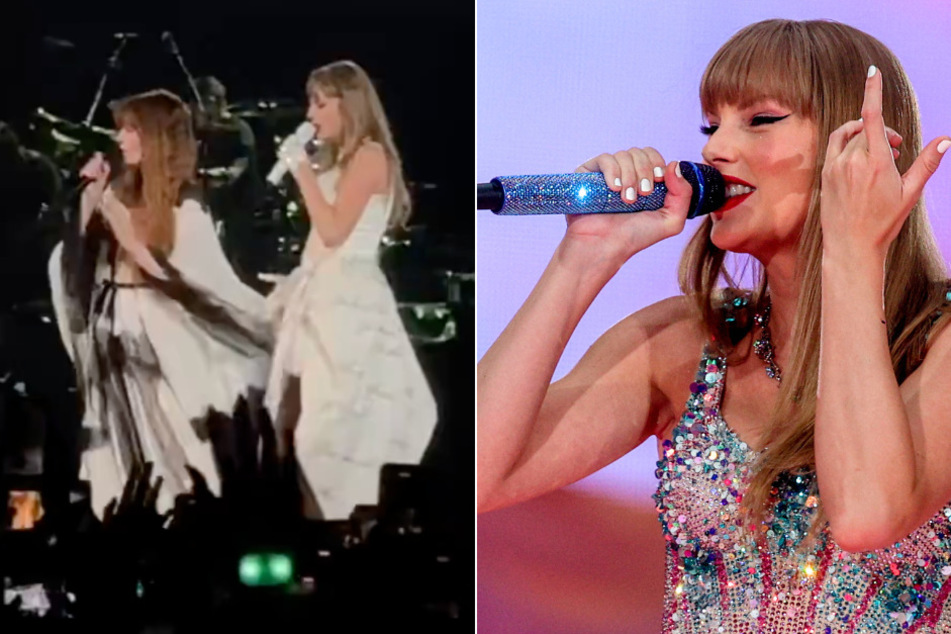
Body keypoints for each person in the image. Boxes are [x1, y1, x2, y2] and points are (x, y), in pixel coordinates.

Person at [477, 18, 951, 632]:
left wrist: (855, 251)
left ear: (863, 145)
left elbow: (865, 516)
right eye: (711, 124)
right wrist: (584, 256)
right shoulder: (686, 346)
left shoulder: (940, 342)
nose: (713, 149)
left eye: (759, 119)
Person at [47, 89, 273, 516]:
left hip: (162, 330)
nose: (120, 139)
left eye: (131, 130)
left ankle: (180, 516)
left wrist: (125, 229)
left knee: (169, 431)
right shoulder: (118, 190)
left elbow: (186, 274)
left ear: (153, 138)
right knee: (124, 435)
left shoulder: (184, 202)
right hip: (115, 325)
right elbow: (75, 260)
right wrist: (88, 203)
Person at [266, 60, 437, 520]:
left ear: (349, 103)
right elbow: (318, 241)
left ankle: (342, 527)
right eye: (310, 102)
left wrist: (301, 171)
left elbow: (335, 227)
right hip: (319, 295)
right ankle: (313, 531)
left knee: (331, 428)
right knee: (291, 421)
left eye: (321, 102)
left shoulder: (370, 156)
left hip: (350, 302)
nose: (311, 113)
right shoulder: (334, 158)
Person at [190, 76, 263, 287]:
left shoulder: (238, 128)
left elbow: (241, 163)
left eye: (202, 103)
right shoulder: (198, 132)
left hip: (239, 202)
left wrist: (224, 175)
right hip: (210, 201)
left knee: (236, 260)